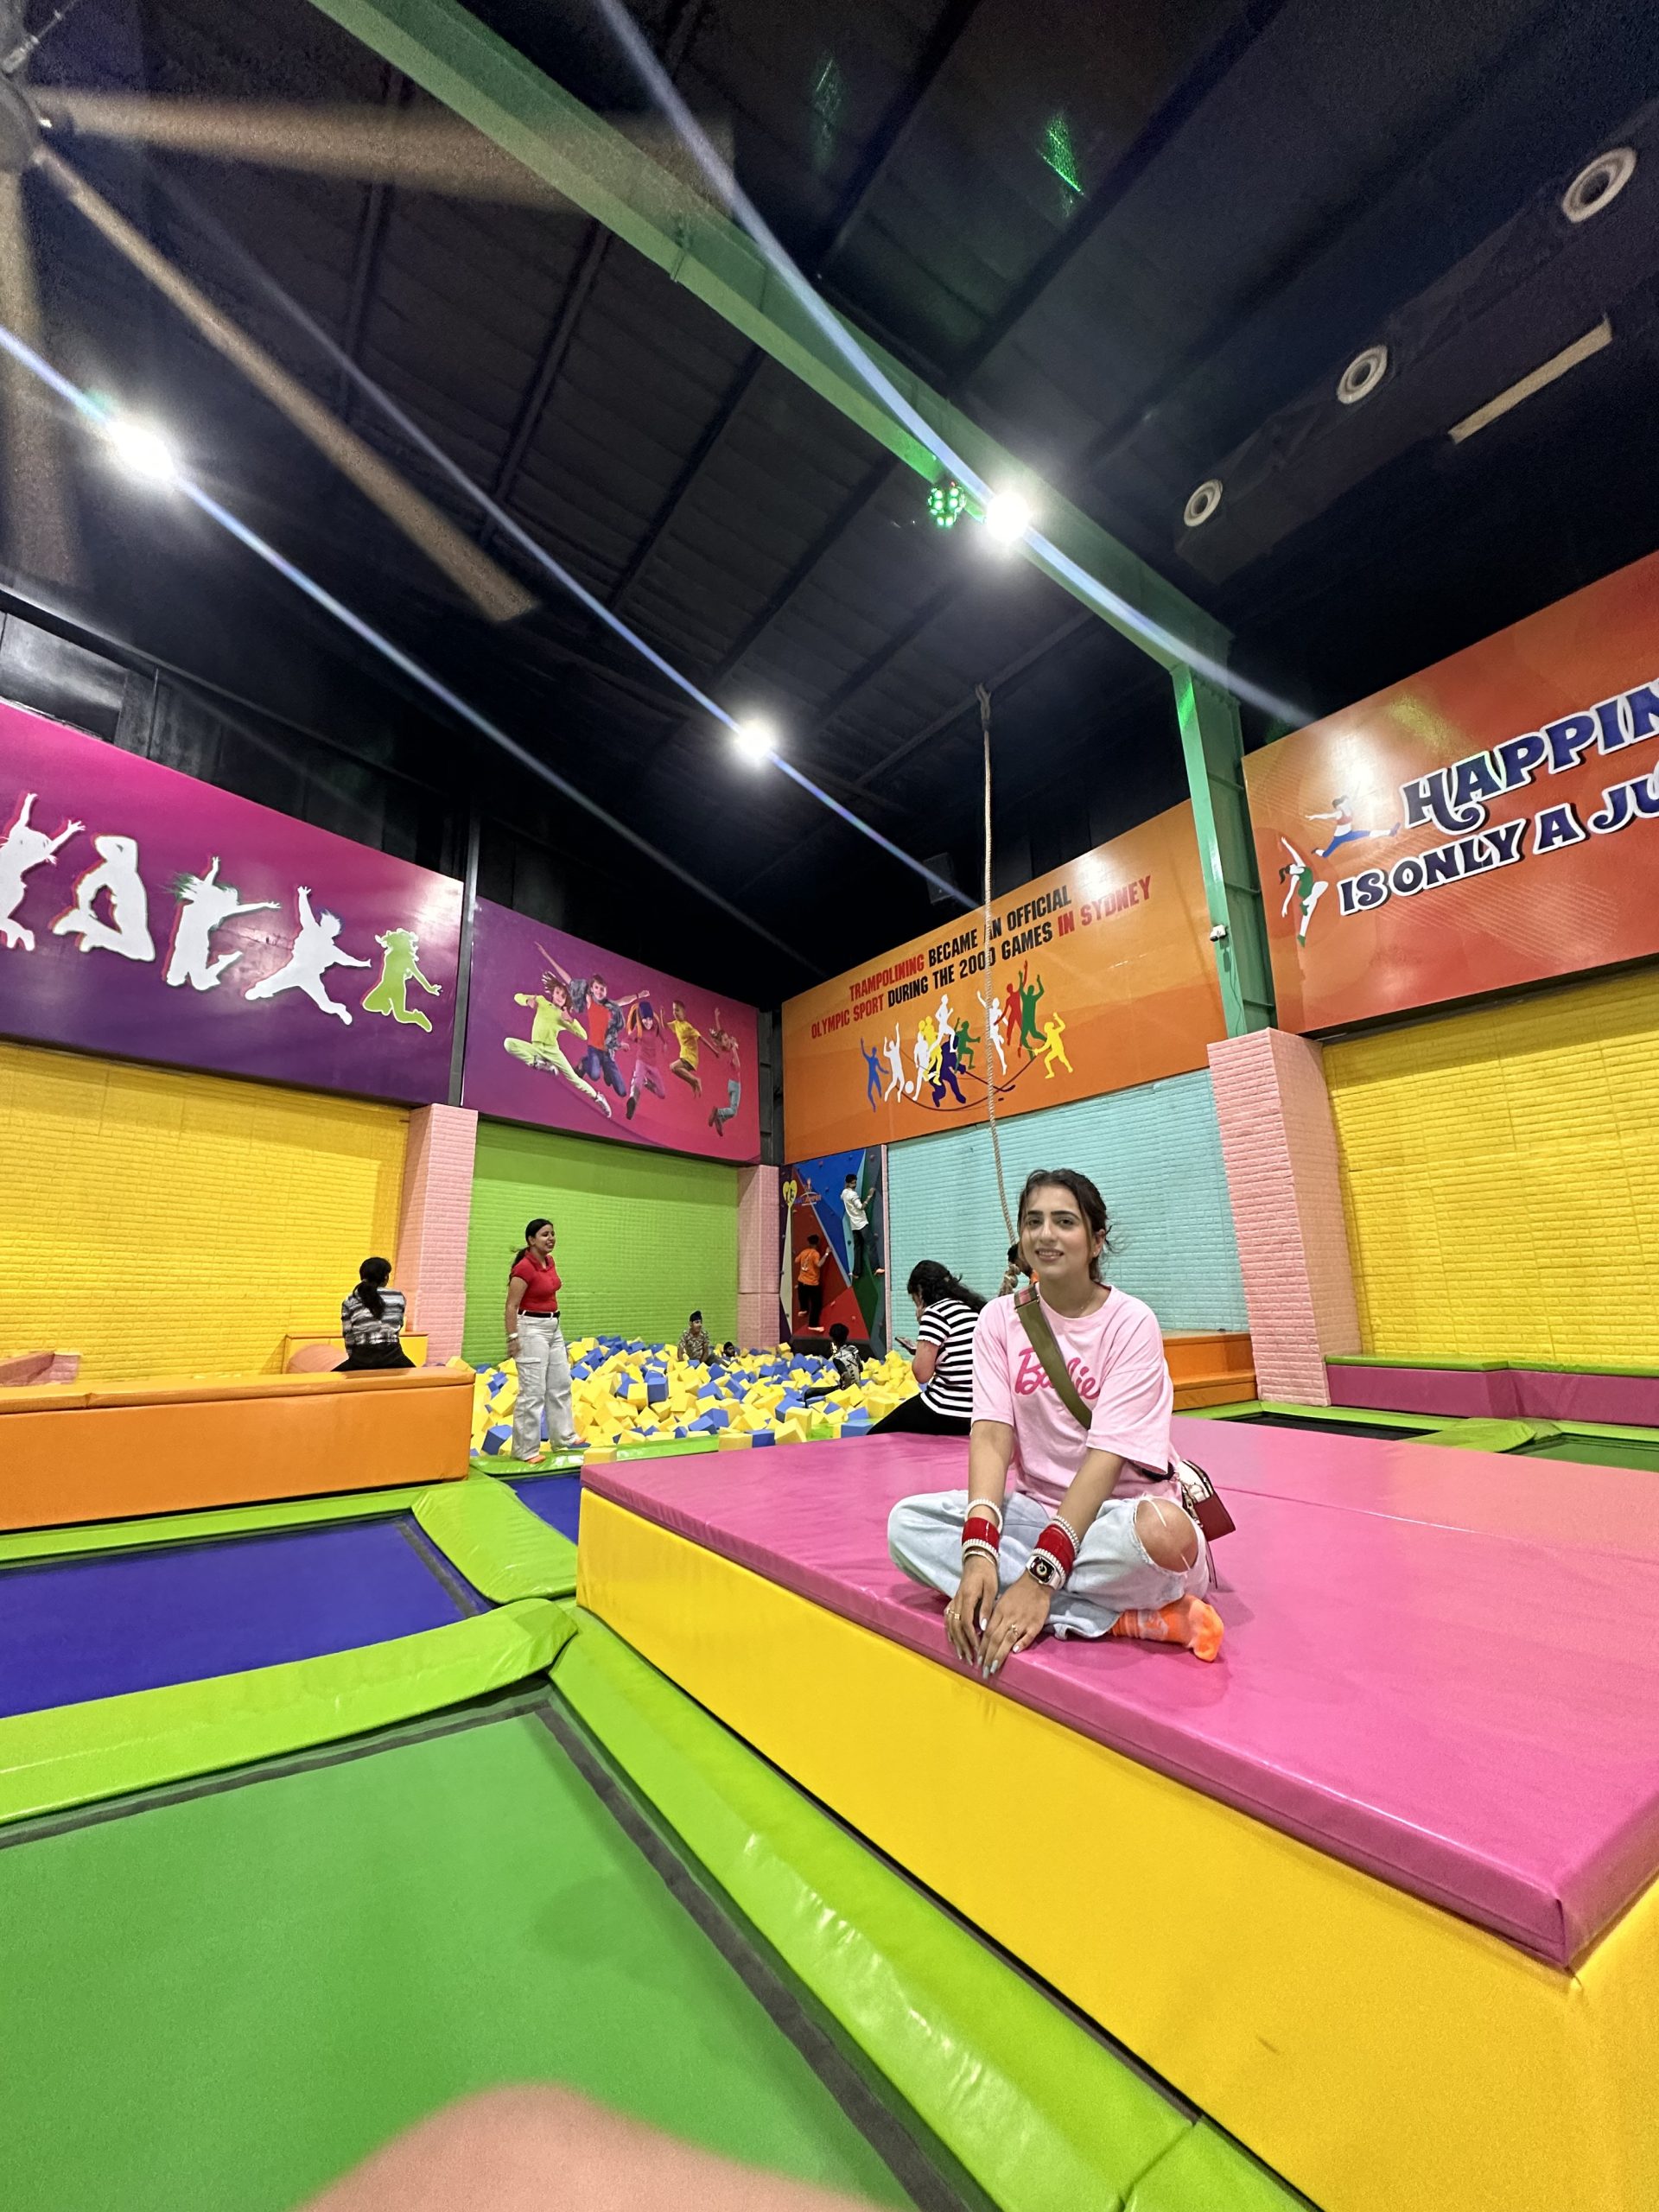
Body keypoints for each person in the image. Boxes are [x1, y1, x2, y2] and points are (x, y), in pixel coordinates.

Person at [887, 1168, 1224, 1675]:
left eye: (1065, 1222)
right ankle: (1121, 1619)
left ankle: (1038, 1594)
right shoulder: (998, 1319)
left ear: (1096, 1240)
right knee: (906, 1526)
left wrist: (1040, 1575)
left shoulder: (1130, 1322)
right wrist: (978, 1549)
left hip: (1118, 1519)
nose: (1046, 1234)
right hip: (1035, 1513)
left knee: (1166, 1535)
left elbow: (1107, 1457)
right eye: (1034, 1221)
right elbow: (992, 1435)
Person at [868, 1260, 983, 1436]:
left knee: (877, 1434)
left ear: (920, 1292)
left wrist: (923, 1322)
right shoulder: (972, 1308)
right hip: (978, 1412)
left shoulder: (935, 1313)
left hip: (947, 1409)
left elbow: (922, 1375)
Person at [504, 1217, 582, 1462]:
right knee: (533, 1391)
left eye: (552, 1234)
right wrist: (513, 1338)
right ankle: (525, 1450)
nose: (551, 1239)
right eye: (545, 1235)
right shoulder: (524, 1268)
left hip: (553, 1326)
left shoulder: (550, 1262)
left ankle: (564, 1437)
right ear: (531, 1240)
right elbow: (511, 1306)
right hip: (530, 1328)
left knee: (560, 1383)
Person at [335, 1256, 414, 1371]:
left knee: (329, 1378)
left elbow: (348, 1335)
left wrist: (354, 1360)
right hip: (393, 1356)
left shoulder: (351, 1300)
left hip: (362, 1357)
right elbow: (398, 1325)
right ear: (385, 1277)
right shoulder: (397, 1297)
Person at [804, 1321, 861, 1399]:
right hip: (858, 1388)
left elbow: (846, 1376)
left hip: (847, 1392)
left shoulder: (837, 1358)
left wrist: (844, 1391)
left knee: (809, 1392)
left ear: (833, 1339)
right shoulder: (853, 1349)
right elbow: (861, 1368)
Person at [841, 1173, 873, 1278]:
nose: (855, 1185)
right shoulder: (853, 1195)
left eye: (855, 1183)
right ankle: (875, 1268)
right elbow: (861, 1207)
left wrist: (846, 1186)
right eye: (853, 1183)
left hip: (854, 1225)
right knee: (871, 1244)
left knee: (858, 1248)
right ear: (849, 1183)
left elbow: (842, 1196)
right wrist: (869, 1196)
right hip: (862, 1223)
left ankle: (856, 1272)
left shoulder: (844, 1193)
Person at [794, 1234, 825, 1332]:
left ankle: (803, 1309)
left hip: (801, 1281)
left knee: (803, 1297)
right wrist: (826, 1254)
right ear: (817, 1244)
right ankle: (813, 1324)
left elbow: (796, 1260)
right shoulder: (816, 1254)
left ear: (809, 1243)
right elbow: (819, 1264)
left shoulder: (804, 1252)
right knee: (816, 1304)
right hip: (812, 1283)